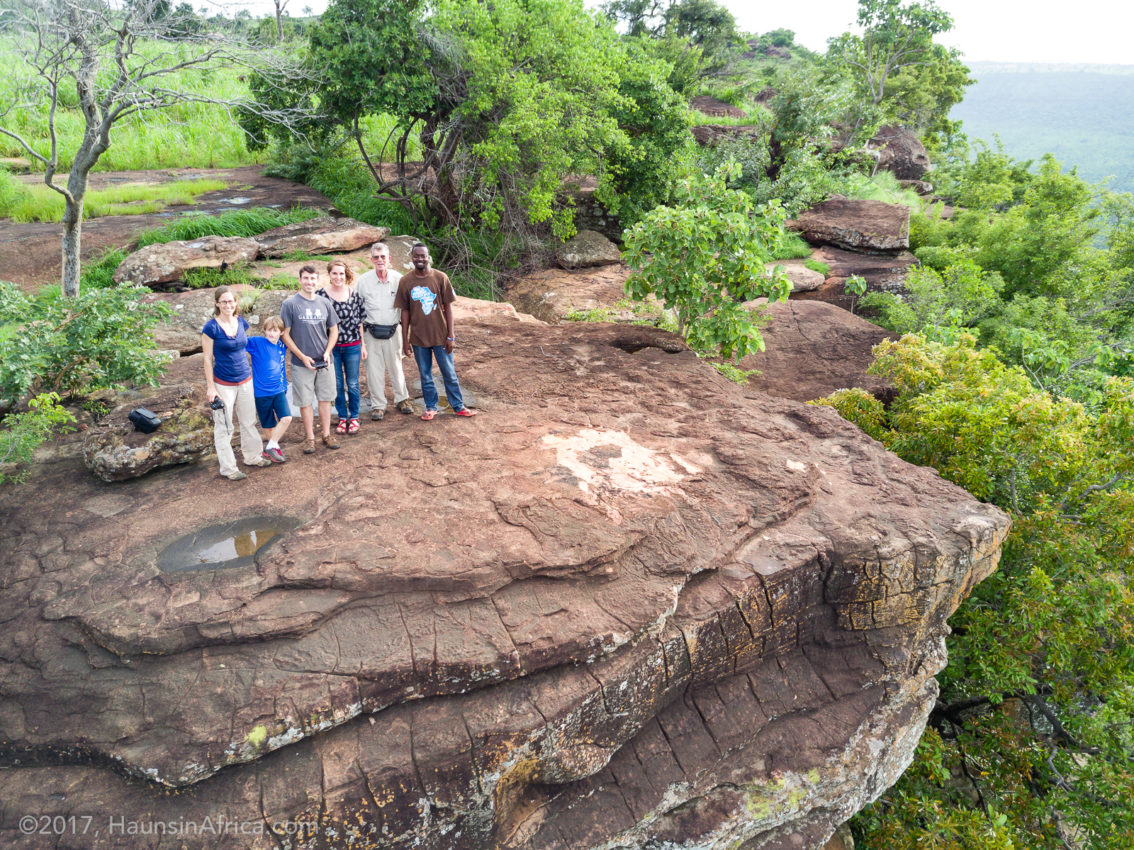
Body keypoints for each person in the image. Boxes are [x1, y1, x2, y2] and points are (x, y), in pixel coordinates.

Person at [396, 242, 477, 421]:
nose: (419, 259)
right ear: (412, 258)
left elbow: (448, 308)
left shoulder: (440, 278)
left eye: (423, 256)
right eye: (416, 256)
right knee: (425, 375)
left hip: (441, 337)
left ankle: (458, 406)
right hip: (418, 338)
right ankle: (431, 407)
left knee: (449, 373)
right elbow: (405, 312)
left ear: (428, 257)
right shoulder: (406, 281)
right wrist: (405, 341)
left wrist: (451, 336)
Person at [201, 286, 269, 480]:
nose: (228, 305)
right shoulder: (211, 328)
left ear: (236, 302)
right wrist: (211, 387)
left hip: (245, 379)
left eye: (230, 301)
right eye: (223, 302)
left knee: (249, 421)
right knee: (225, 426)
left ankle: (253, 457)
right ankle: (229, 468)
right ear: (216, 303)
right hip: (223, 383)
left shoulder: (241, 322)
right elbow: (207, 358)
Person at [281, 265, 341, 453]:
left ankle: (326, 435)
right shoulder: (290, 304)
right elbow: (285, 334)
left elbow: (334, 330)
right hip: (302, 363)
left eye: (313, 278)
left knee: (325, 399)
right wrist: (301, 356)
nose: (309, 282)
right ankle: (310, 438)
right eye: (306, 278)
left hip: (325, 361)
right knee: (305, 401)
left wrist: (328, 351)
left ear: (318, 280)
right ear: (300, 280)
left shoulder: (325, 303)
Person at [355, 242, 413, 421]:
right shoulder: (363, 281)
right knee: (373, 370)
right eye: (376, 257)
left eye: (383, 257)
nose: (379, 260)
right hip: (370, 331)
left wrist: (408, 335)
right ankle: (378, 405)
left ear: (389, 258)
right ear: (371, 259)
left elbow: (407, 308)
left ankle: (402, 399)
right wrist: (360, 341)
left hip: (394, 330)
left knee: (396, 366)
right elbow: (356, 310)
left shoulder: (399, 279)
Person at [317, 260, 366, 435]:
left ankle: (355, 417)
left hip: (353, 346)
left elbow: (360, 322)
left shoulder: (354, 294)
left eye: (341, 273)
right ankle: (342, 417)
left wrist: (363, 345)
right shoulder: (320, 296)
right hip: (332, 348)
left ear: (346, 275)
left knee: (352, 383)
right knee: (337, 383)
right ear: (329, 274)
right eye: (335, 273)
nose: (338, 277)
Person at [245, 316, 293, 463]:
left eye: (275, 331)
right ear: (264, 330)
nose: (271, 333)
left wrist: (284, 386)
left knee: (286, 418)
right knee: (269, 425)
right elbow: (239, 341)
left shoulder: (282, 345)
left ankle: (271, 445)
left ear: (282, 332)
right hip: (261, 393)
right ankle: (272, 450)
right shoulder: (257, 342)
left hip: (278, 390)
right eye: (268, 330)